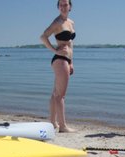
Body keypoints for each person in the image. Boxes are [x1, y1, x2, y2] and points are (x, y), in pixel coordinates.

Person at [40, 0, 76, 133]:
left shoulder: (71, 23)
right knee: (61, 95)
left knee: (56, 93)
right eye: (61, 5)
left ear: (70, 6)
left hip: (66, 60)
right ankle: (63, 126)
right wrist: (55, 51)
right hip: (60, 59)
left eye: (65, 4)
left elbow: (70, 43)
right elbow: (43, 37)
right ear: (58, 7)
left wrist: (71, 62)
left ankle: (52, 123)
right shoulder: (57, 22)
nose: (63, 7)